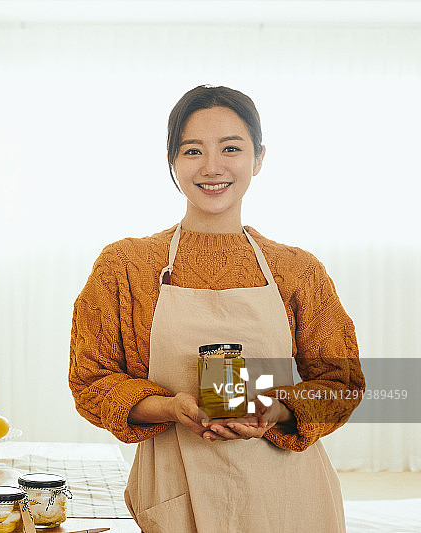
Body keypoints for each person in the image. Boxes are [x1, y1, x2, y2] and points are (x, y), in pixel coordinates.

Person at [68, 85, 365, 533]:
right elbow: (91, 380)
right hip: (176, 491)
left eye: (231, 148)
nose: (212, 167)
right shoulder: (125, 267)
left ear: (258, 158)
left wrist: (277, 409)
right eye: (192, 150)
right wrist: (171, 408)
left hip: (287, 500)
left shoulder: (298, 270)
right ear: (172, 160)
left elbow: (342, 383)